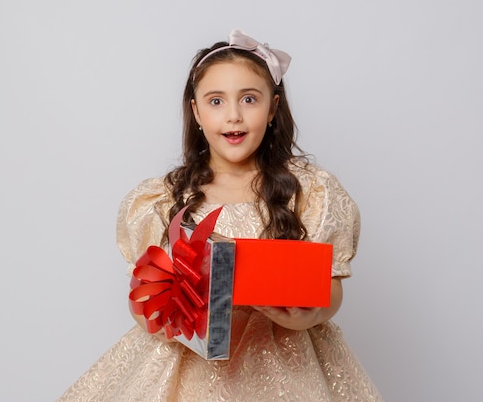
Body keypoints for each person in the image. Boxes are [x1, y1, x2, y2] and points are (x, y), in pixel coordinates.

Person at [58, 30, 383, 402]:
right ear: (195, 111)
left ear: (273, 108)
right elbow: (144, 292)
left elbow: (331, 286)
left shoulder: (310, 192)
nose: (233, 115)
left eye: (249, 99)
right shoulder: (162, 199)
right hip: (191, 369)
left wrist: (305, 316)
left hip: (288, 366)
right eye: (216, 101)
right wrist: (165, 319)